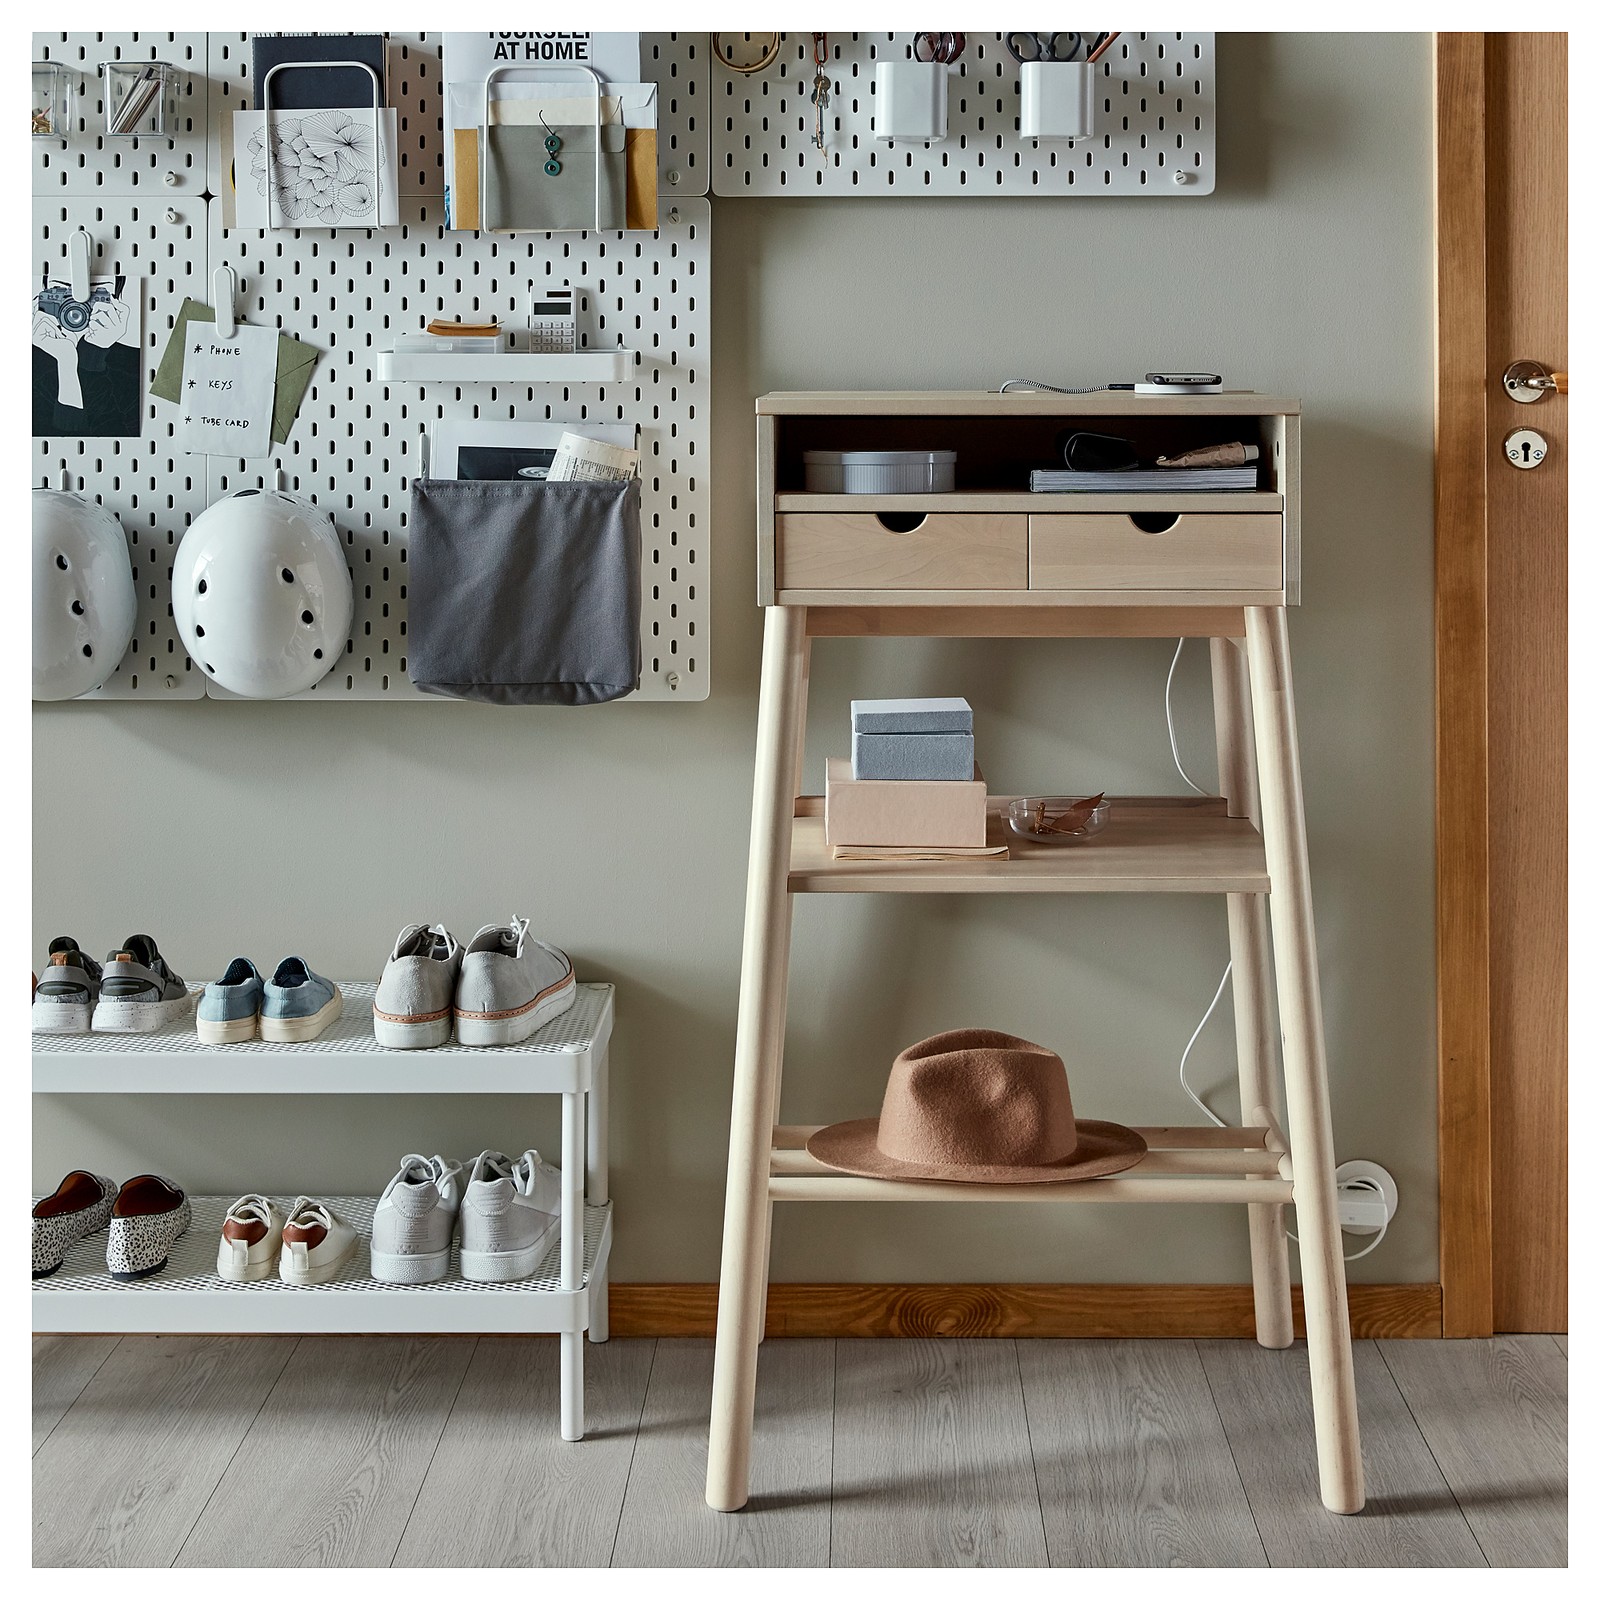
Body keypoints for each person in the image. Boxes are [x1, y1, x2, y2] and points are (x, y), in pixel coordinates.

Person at [32, 289, 139, 437]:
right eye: (61, 295)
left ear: (116, 301)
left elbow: (109, 440)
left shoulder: (133, 368)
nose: (75, 309)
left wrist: (91, 353)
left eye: (93, 296)